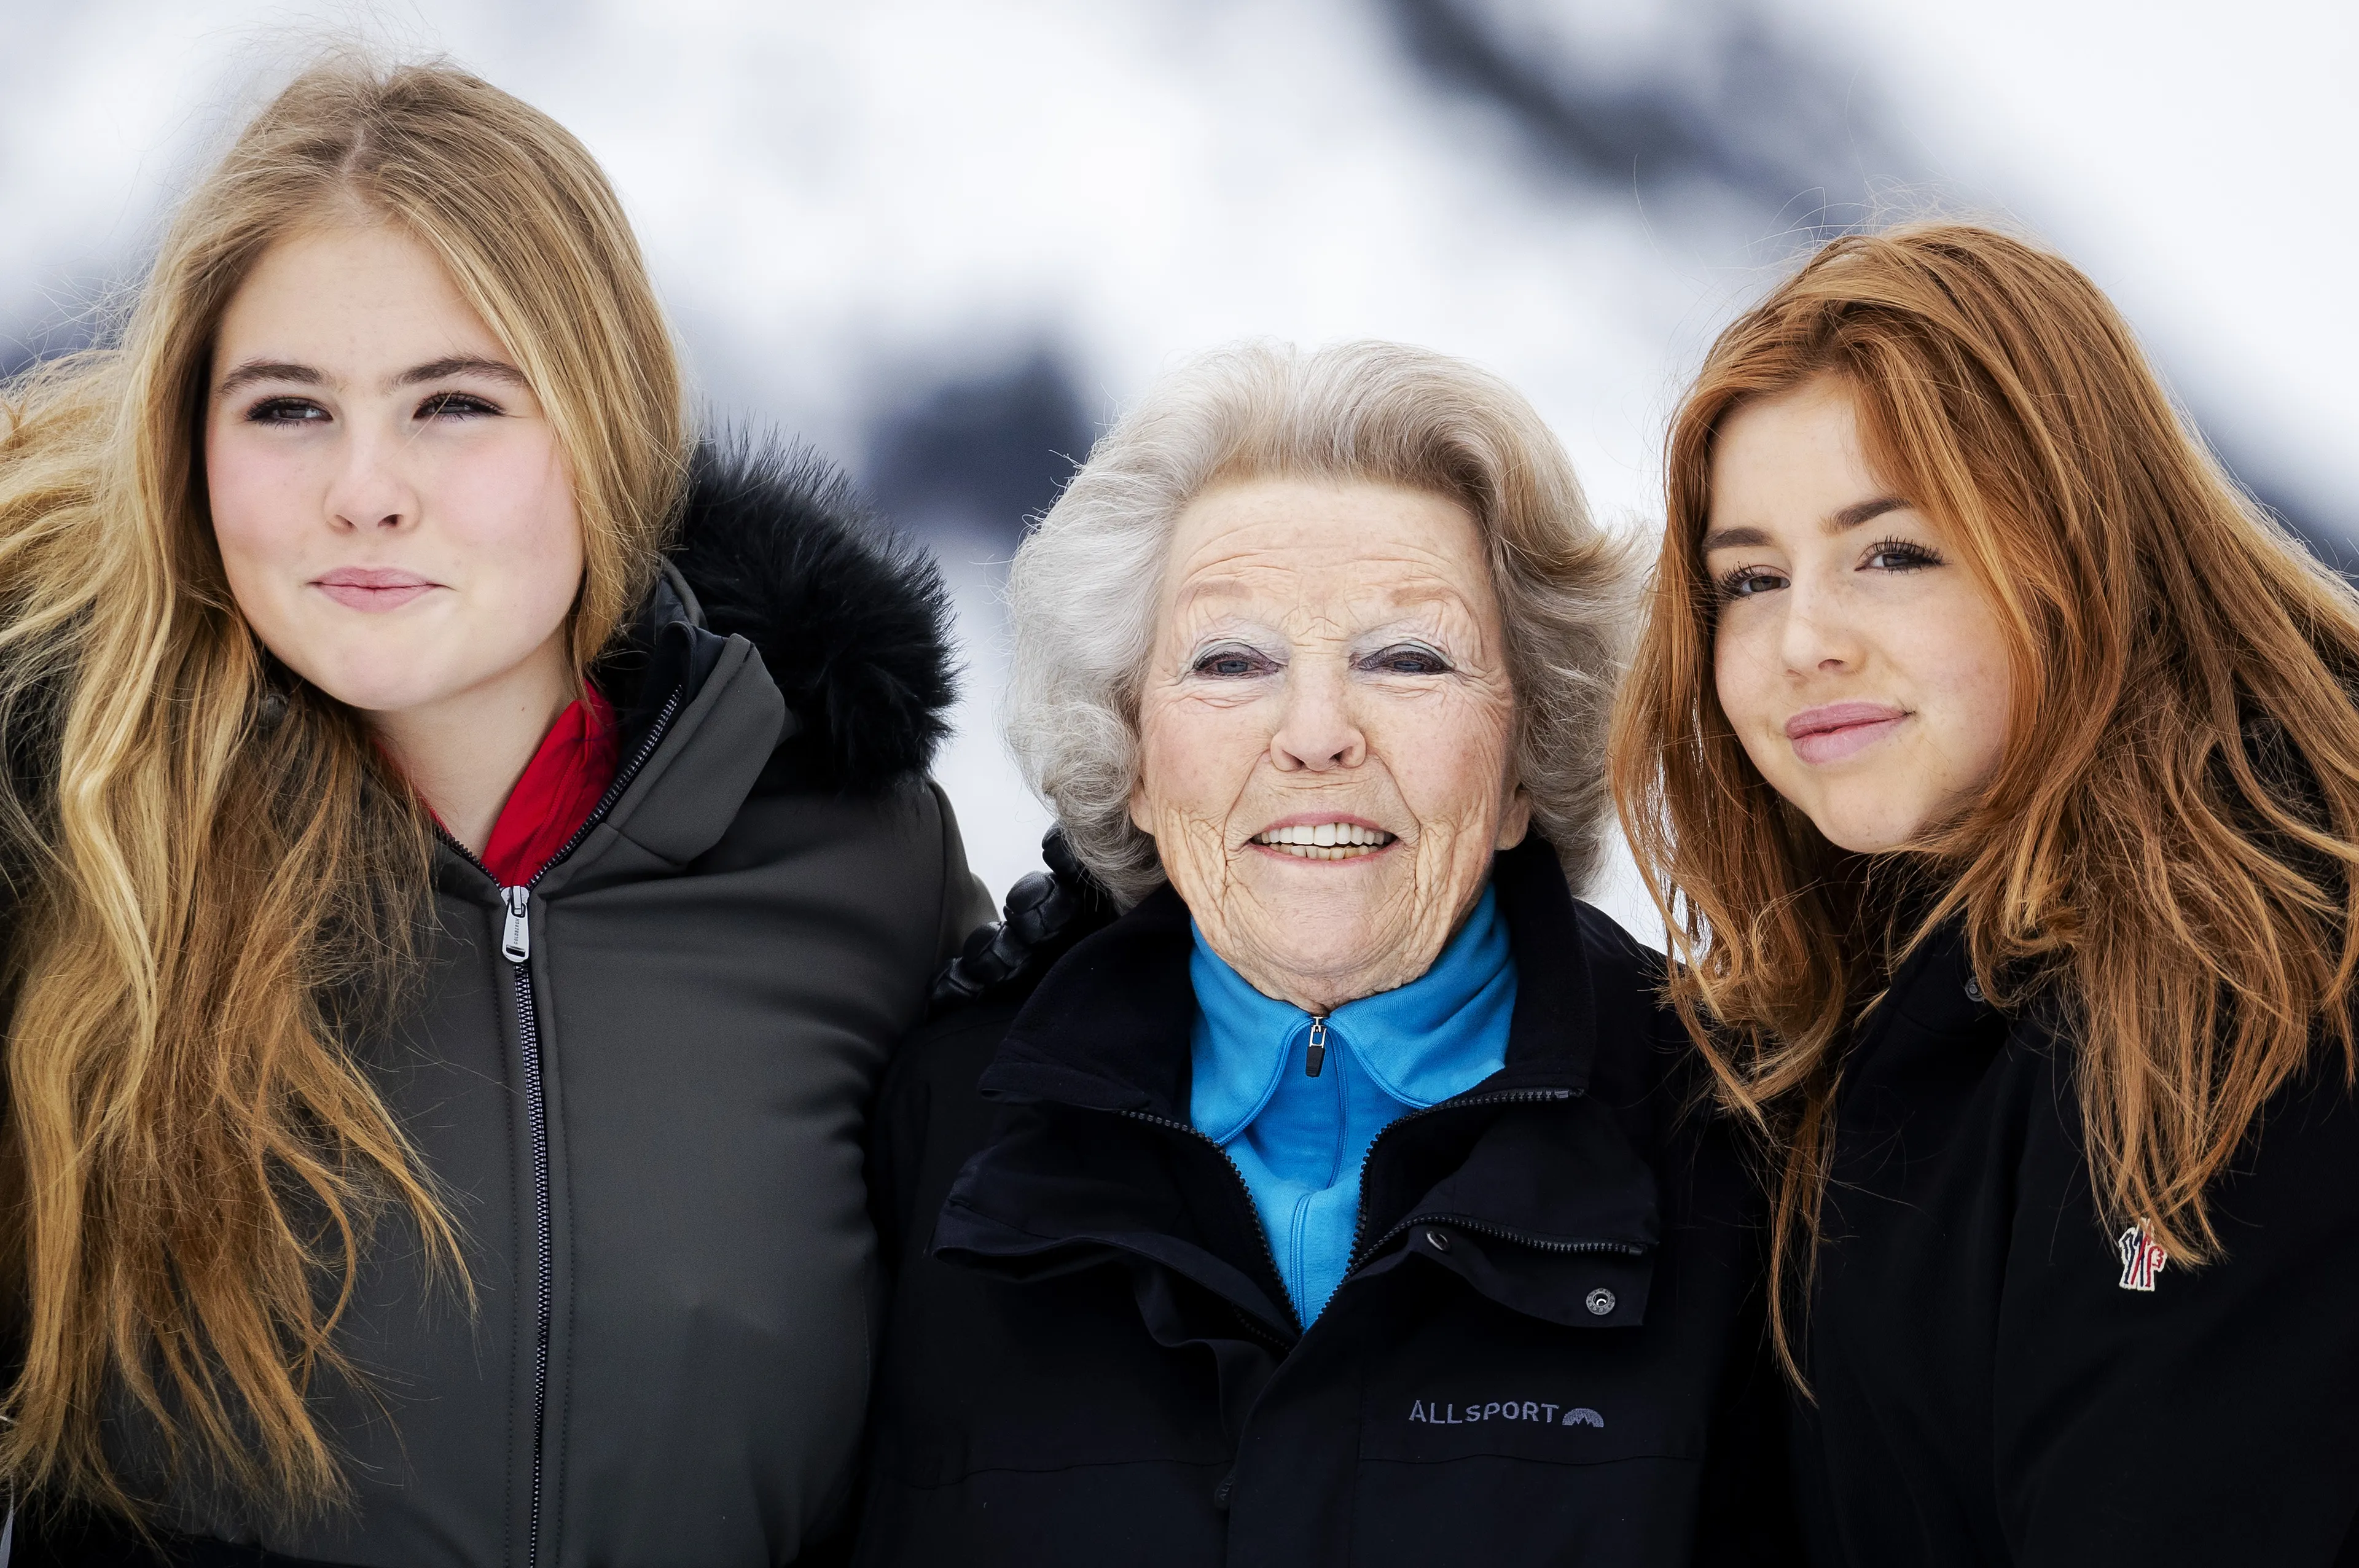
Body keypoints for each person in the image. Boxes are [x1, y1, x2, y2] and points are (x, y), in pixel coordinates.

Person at [0, 60, 988, 1566]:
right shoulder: (63, 838)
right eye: (287, 409)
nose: (365, 491)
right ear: (192, 450)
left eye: (454, 403)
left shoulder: (866, 867)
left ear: (601, 424)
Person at [856, 340, 1793, 1566]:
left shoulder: (1744, 1137)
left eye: (1407, 658)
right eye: (1230, 661)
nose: (1314, 734)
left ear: (1527, 758)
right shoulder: (945, 1126)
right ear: (1131, 754)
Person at [1610, 222, 2359, 1565]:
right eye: (1750, 579)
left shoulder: (2260, 964)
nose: (1802, 639)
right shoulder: (1887, 985)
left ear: (2077, 543)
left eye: (1893, 554)